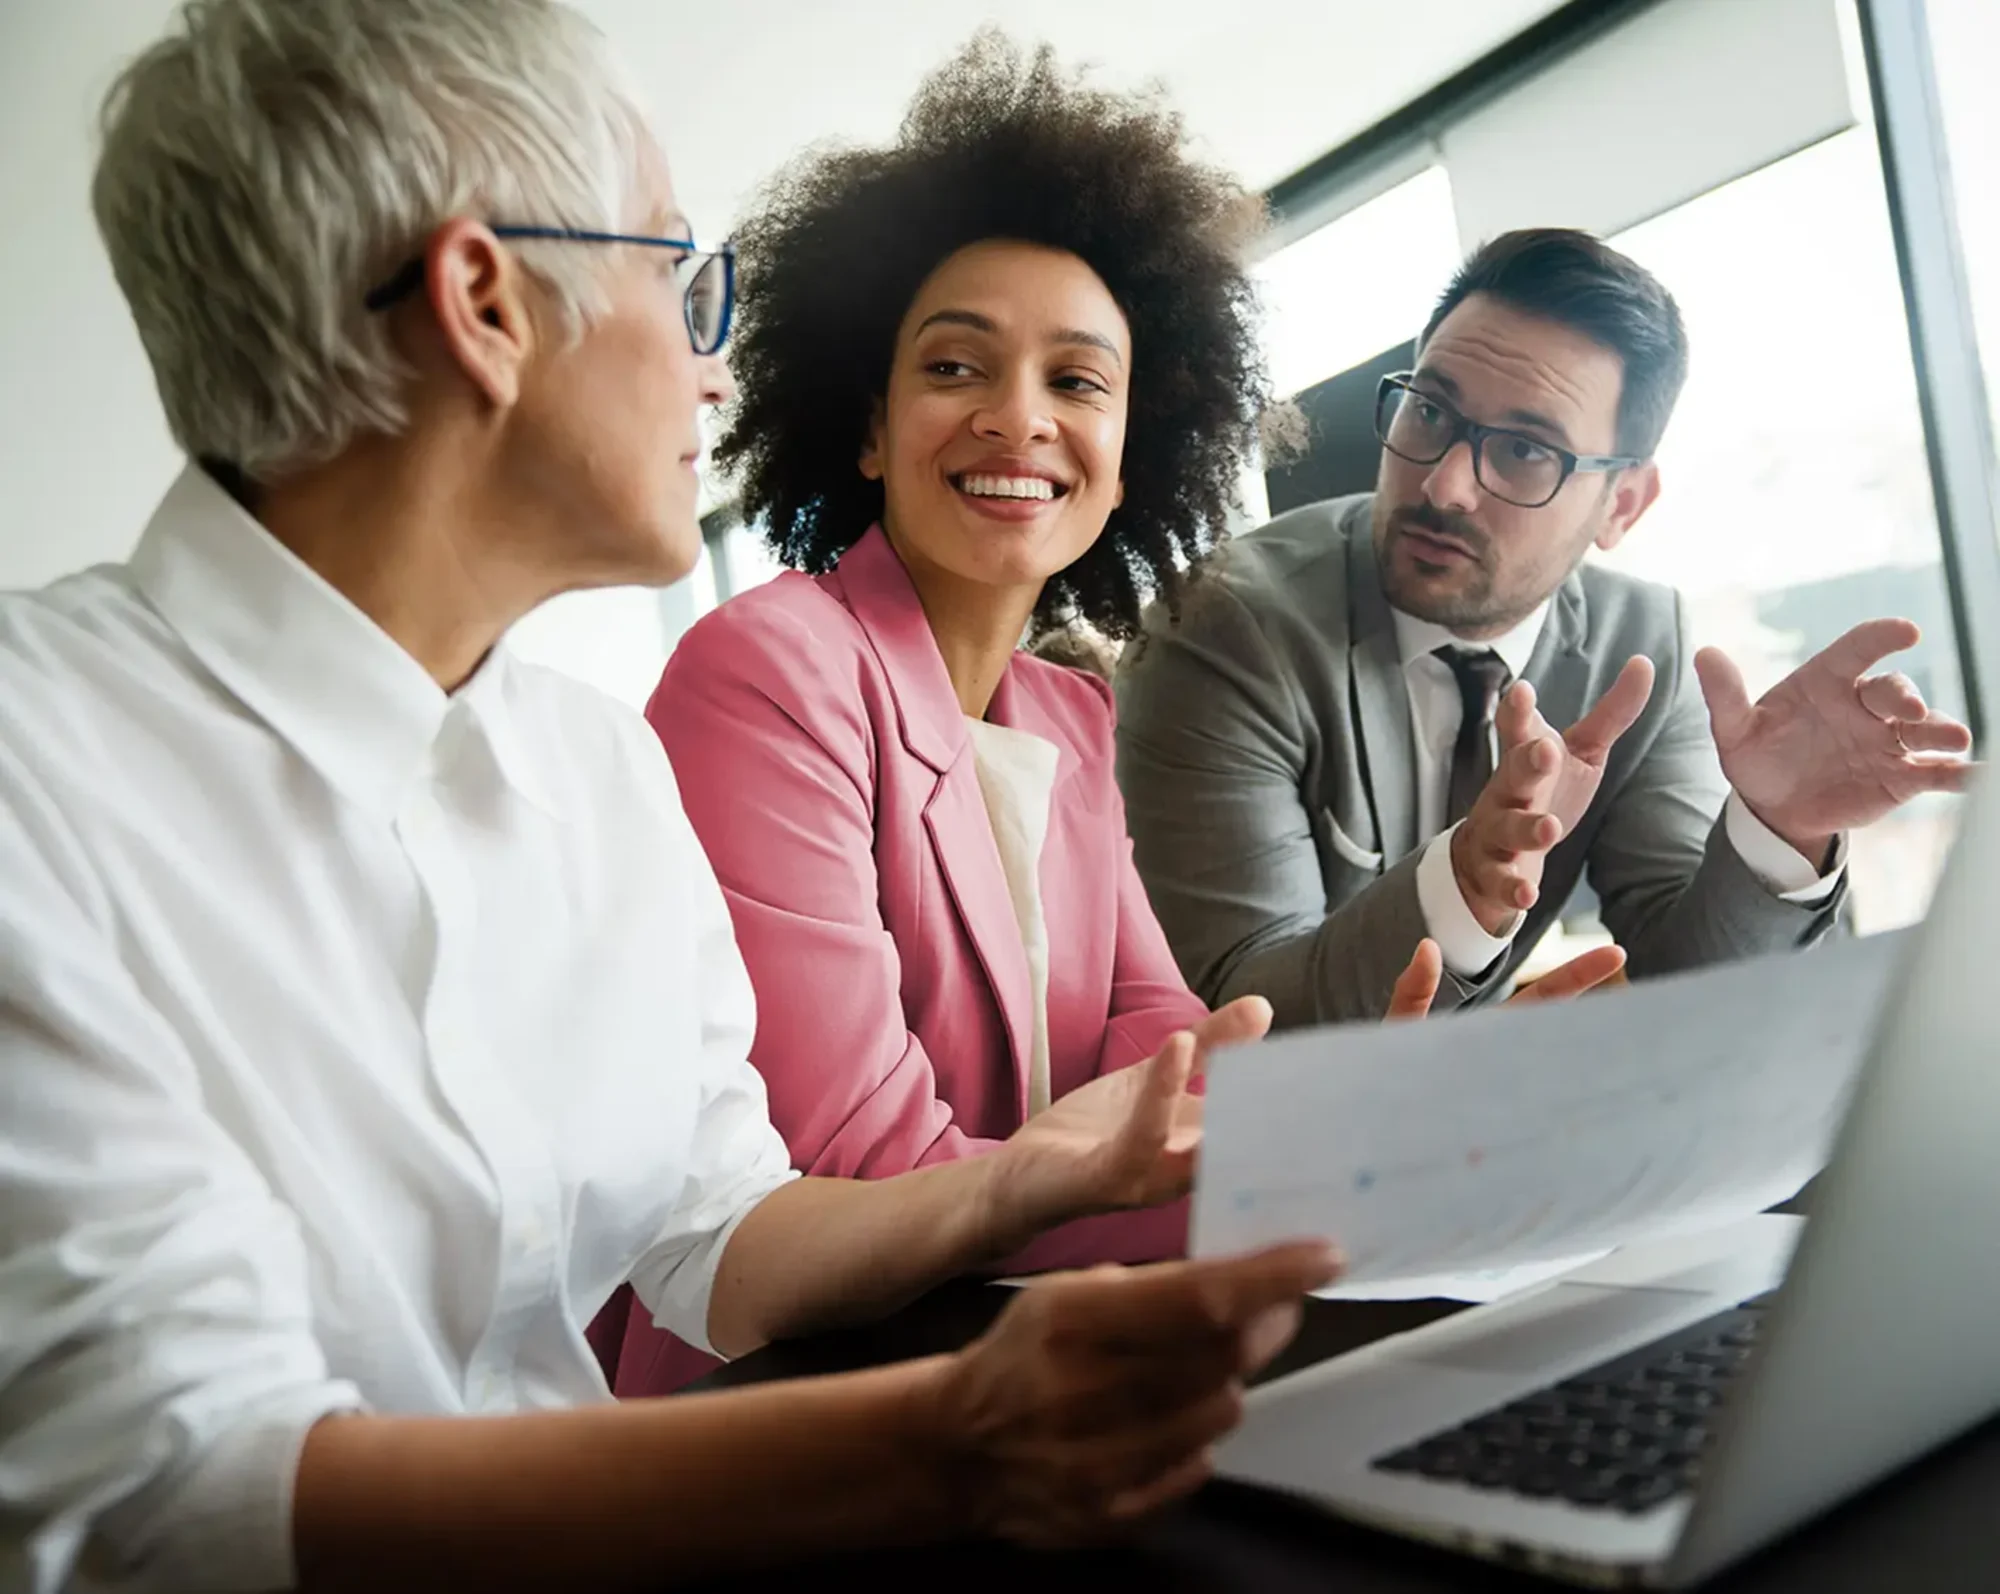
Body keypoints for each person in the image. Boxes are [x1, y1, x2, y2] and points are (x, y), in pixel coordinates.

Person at [0, 5, 1354, 1588]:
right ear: (487, 304)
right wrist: (949, 1438)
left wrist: (1029, 1175)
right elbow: (181, 1493)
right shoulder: (40, 768)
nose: (713, 366)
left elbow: (721, 1236)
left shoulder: (590, 765)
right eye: (677, 275)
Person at [607, 44, 1627, 1397]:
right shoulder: (768, 672)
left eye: (1079, 381)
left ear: (1135, 446)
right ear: (866, 424)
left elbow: (1170, 1052)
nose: (1018, 417)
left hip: (1029, 1370)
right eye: (957, 365)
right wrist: (1363, 1166)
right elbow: (866, 1167)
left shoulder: (1065, 713)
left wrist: (1417, 1102)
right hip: (790, 1416)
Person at [1114, 227, 1973, 1028]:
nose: (1445, 485)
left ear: (1622, 505)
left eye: (1525, 450)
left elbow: (1698, 994)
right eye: (1430, 413)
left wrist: (1779, 831)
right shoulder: (1222, 623)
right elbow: (1242, 1009)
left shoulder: (1640, 649)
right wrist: (1464, 885)